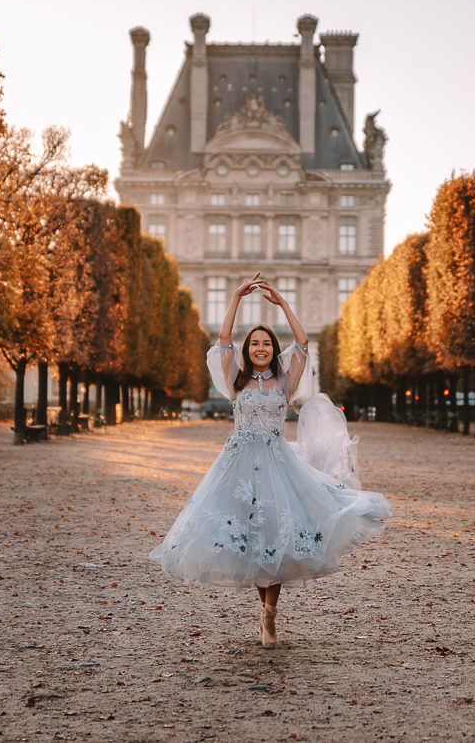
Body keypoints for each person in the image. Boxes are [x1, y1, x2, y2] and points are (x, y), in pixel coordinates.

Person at [149, 273, 391, 648]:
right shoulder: (235, 381)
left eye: (266, 343)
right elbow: (224, 340)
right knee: (250, 537)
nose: (260, 348)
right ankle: (264, 612)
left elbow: (304, 342)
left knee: (277, 535)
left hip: (278, 465)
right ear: (247, 351)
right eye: (255, 344)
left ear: (272, 348)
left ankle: (269, 615)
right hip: (239, 467)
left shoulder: (284, 380)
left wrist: (283, 305)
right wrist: (236, 298)